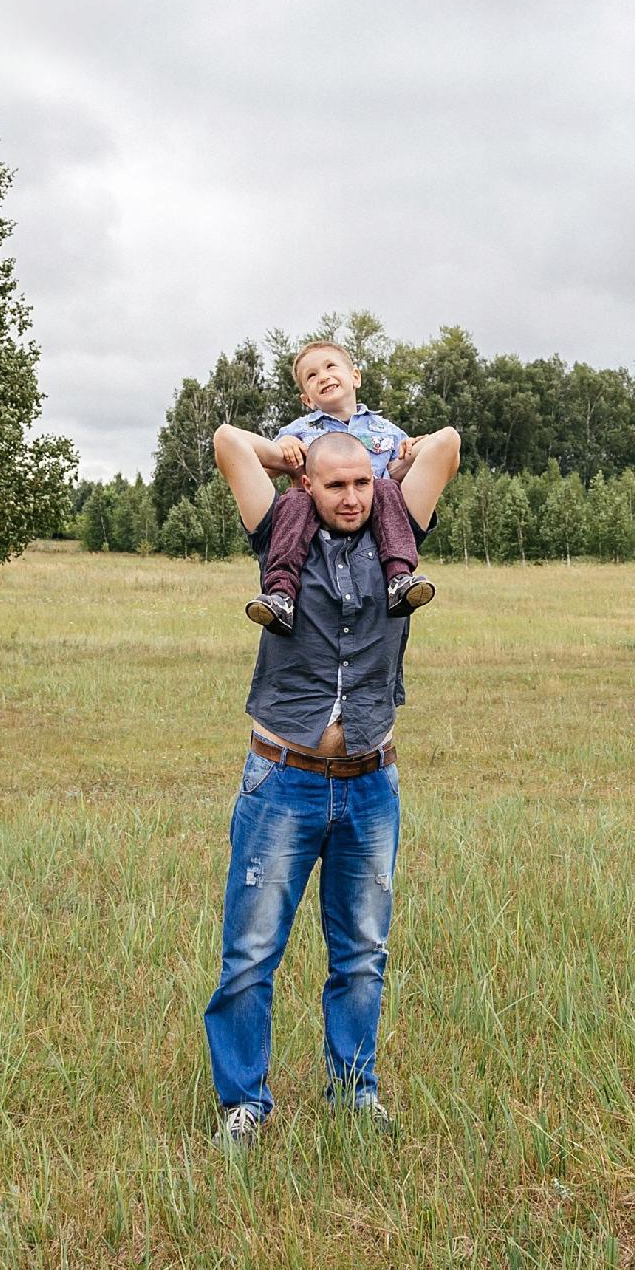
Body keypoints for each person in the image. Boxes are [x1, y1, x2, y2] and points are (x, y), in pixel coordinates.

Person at [203, 413, 462, 1151]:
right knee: (251, 954)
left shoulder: (397, 532)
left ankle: (354, 1092)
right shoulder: (278, 529)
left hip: (370, 783)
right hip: (282, 781)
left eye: (359, 484)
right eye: (335, 485)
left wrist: (395, 462)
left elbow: (447, 444)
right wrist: (287, 455)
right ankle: (244, 1105)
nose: (351, 497)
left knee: (362, 954)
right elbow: (226, 442)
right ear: (308, 488)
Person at [241, 340, 440, 635]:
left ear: (355, 377)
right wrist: (283, 447)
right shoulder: (298, 430)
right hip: (316, 518)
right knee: (295, 500)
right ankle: (281, 594)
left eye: (330, 366)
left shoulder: (385, 430)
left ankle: (399, 579)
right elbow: (264, 468)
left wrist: (417, 445)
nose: (323, 376)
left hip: (373, 517)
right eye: (311, 376)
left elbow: (411, 463)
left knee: (386, 488)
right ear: (306, 399)